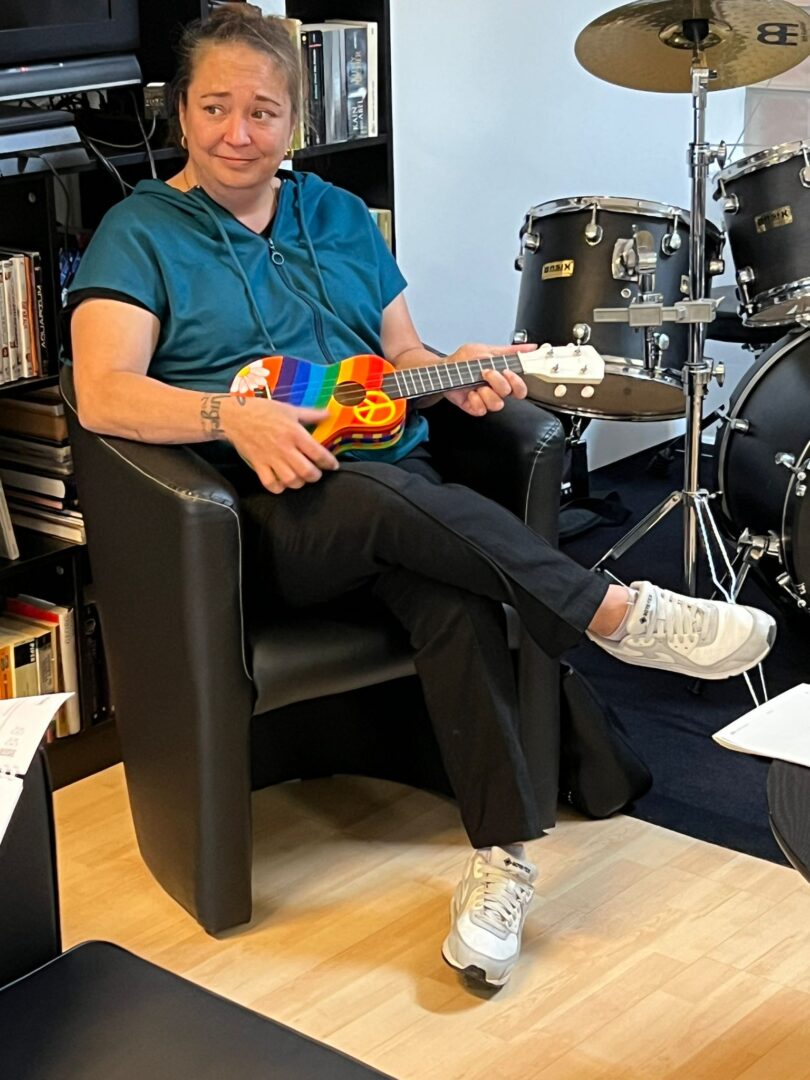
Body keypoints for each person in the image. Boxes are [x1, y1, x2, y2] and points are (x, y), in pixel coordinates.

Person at [67, 6, 775, 990]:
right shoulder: (140, 231)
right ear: (180, 110)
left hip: (397, 486)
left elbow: (402, 356)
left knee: (450, 589)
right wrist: (233, 419)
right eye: (216, 107)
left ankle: (500, 865)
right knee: (376, 498)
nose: (238, 132)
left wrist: (457, 371)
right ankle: (611, 613)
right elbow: (104, 393)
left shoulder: (338, 216)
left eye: (263, 111)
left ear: (295, 122)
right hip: (253, 517)